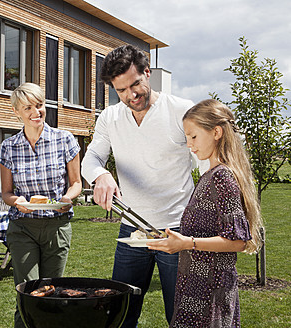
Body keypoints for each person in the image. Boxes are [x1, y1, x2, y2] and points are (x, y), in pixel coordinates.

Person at [81, 44, 204, 327]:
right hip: (132, 231)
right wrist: (101, 175)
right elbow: (91, 159)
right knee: (120, 314)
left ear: (147, 73)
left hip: (177, 230)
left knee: (182, 316)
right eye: (121, 90)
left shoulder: (181, 111)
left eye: (135, 84)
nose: (131, 95)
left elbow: (209, 165)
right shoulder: (110, 117)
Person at [147, 99, 263, 327]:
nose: (189, 144)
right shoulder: (210, 175)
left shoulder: (222, 178)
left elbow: (238, 241)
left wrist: (187, 243)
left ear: (216, 132)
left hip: (210, 292)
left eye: (194, 136)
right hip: (197, 289)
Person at [0, 82, 82, 328]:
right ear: (16, 112)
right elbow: (7, 193)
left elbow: (76, 183)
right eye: (28, 108)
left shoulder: (64, 139)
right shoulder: (8, 147)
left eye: (40, 105)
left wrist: (68, 198)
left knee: (52, 291)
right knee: (28, 291)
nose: (36, 112)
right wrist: (18, 202)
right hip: (23, 227)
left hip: (57, 226)